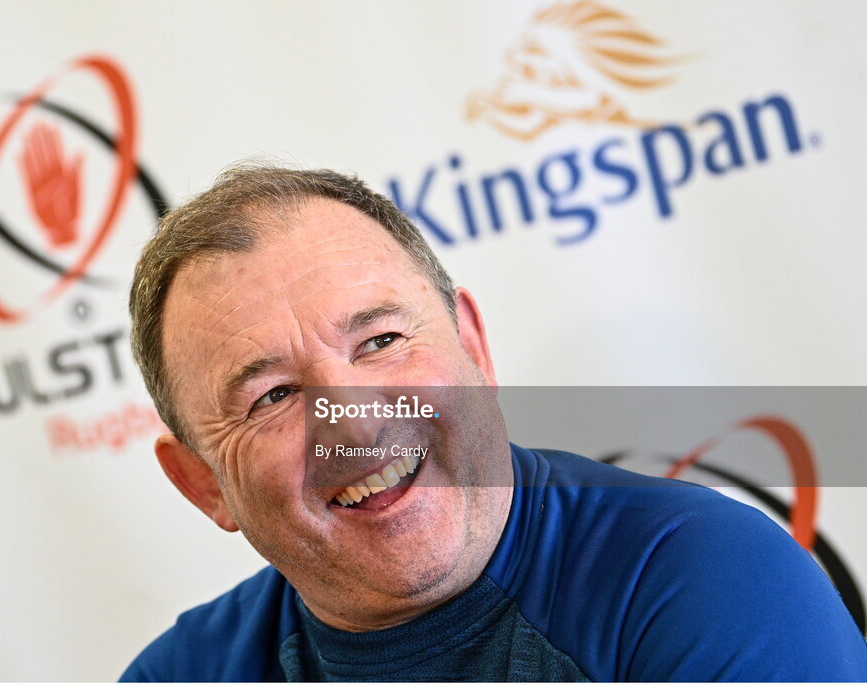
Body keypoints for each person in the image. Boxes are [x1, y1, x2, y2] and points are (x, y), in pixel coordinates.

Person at [120, 164, 867, 681]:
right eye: (274, 396)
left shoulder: (702, 580)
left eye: (381, 342)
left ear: (472, 346)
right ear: (201, 484)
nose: (355, 428)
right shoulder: (180, 676)